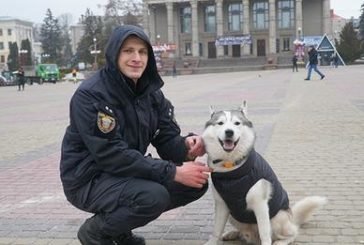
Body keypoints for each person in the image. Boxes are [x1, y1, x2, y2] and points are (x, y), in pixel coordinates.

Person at [60, 25, 211, 245]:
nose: (136, 58)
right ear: (114, 54)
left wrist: (187, 147)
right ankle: (96, 232)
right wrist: (172, 171)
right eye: (128, 51)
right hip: (88, 179)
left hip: (122, 172)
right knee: (152, 197)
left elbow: (167, 139)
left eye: (142, 52)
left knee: (195, 182)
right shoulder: (91, 95)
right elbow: (111, 155)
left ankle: (119, 229)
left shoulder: (151, 94)